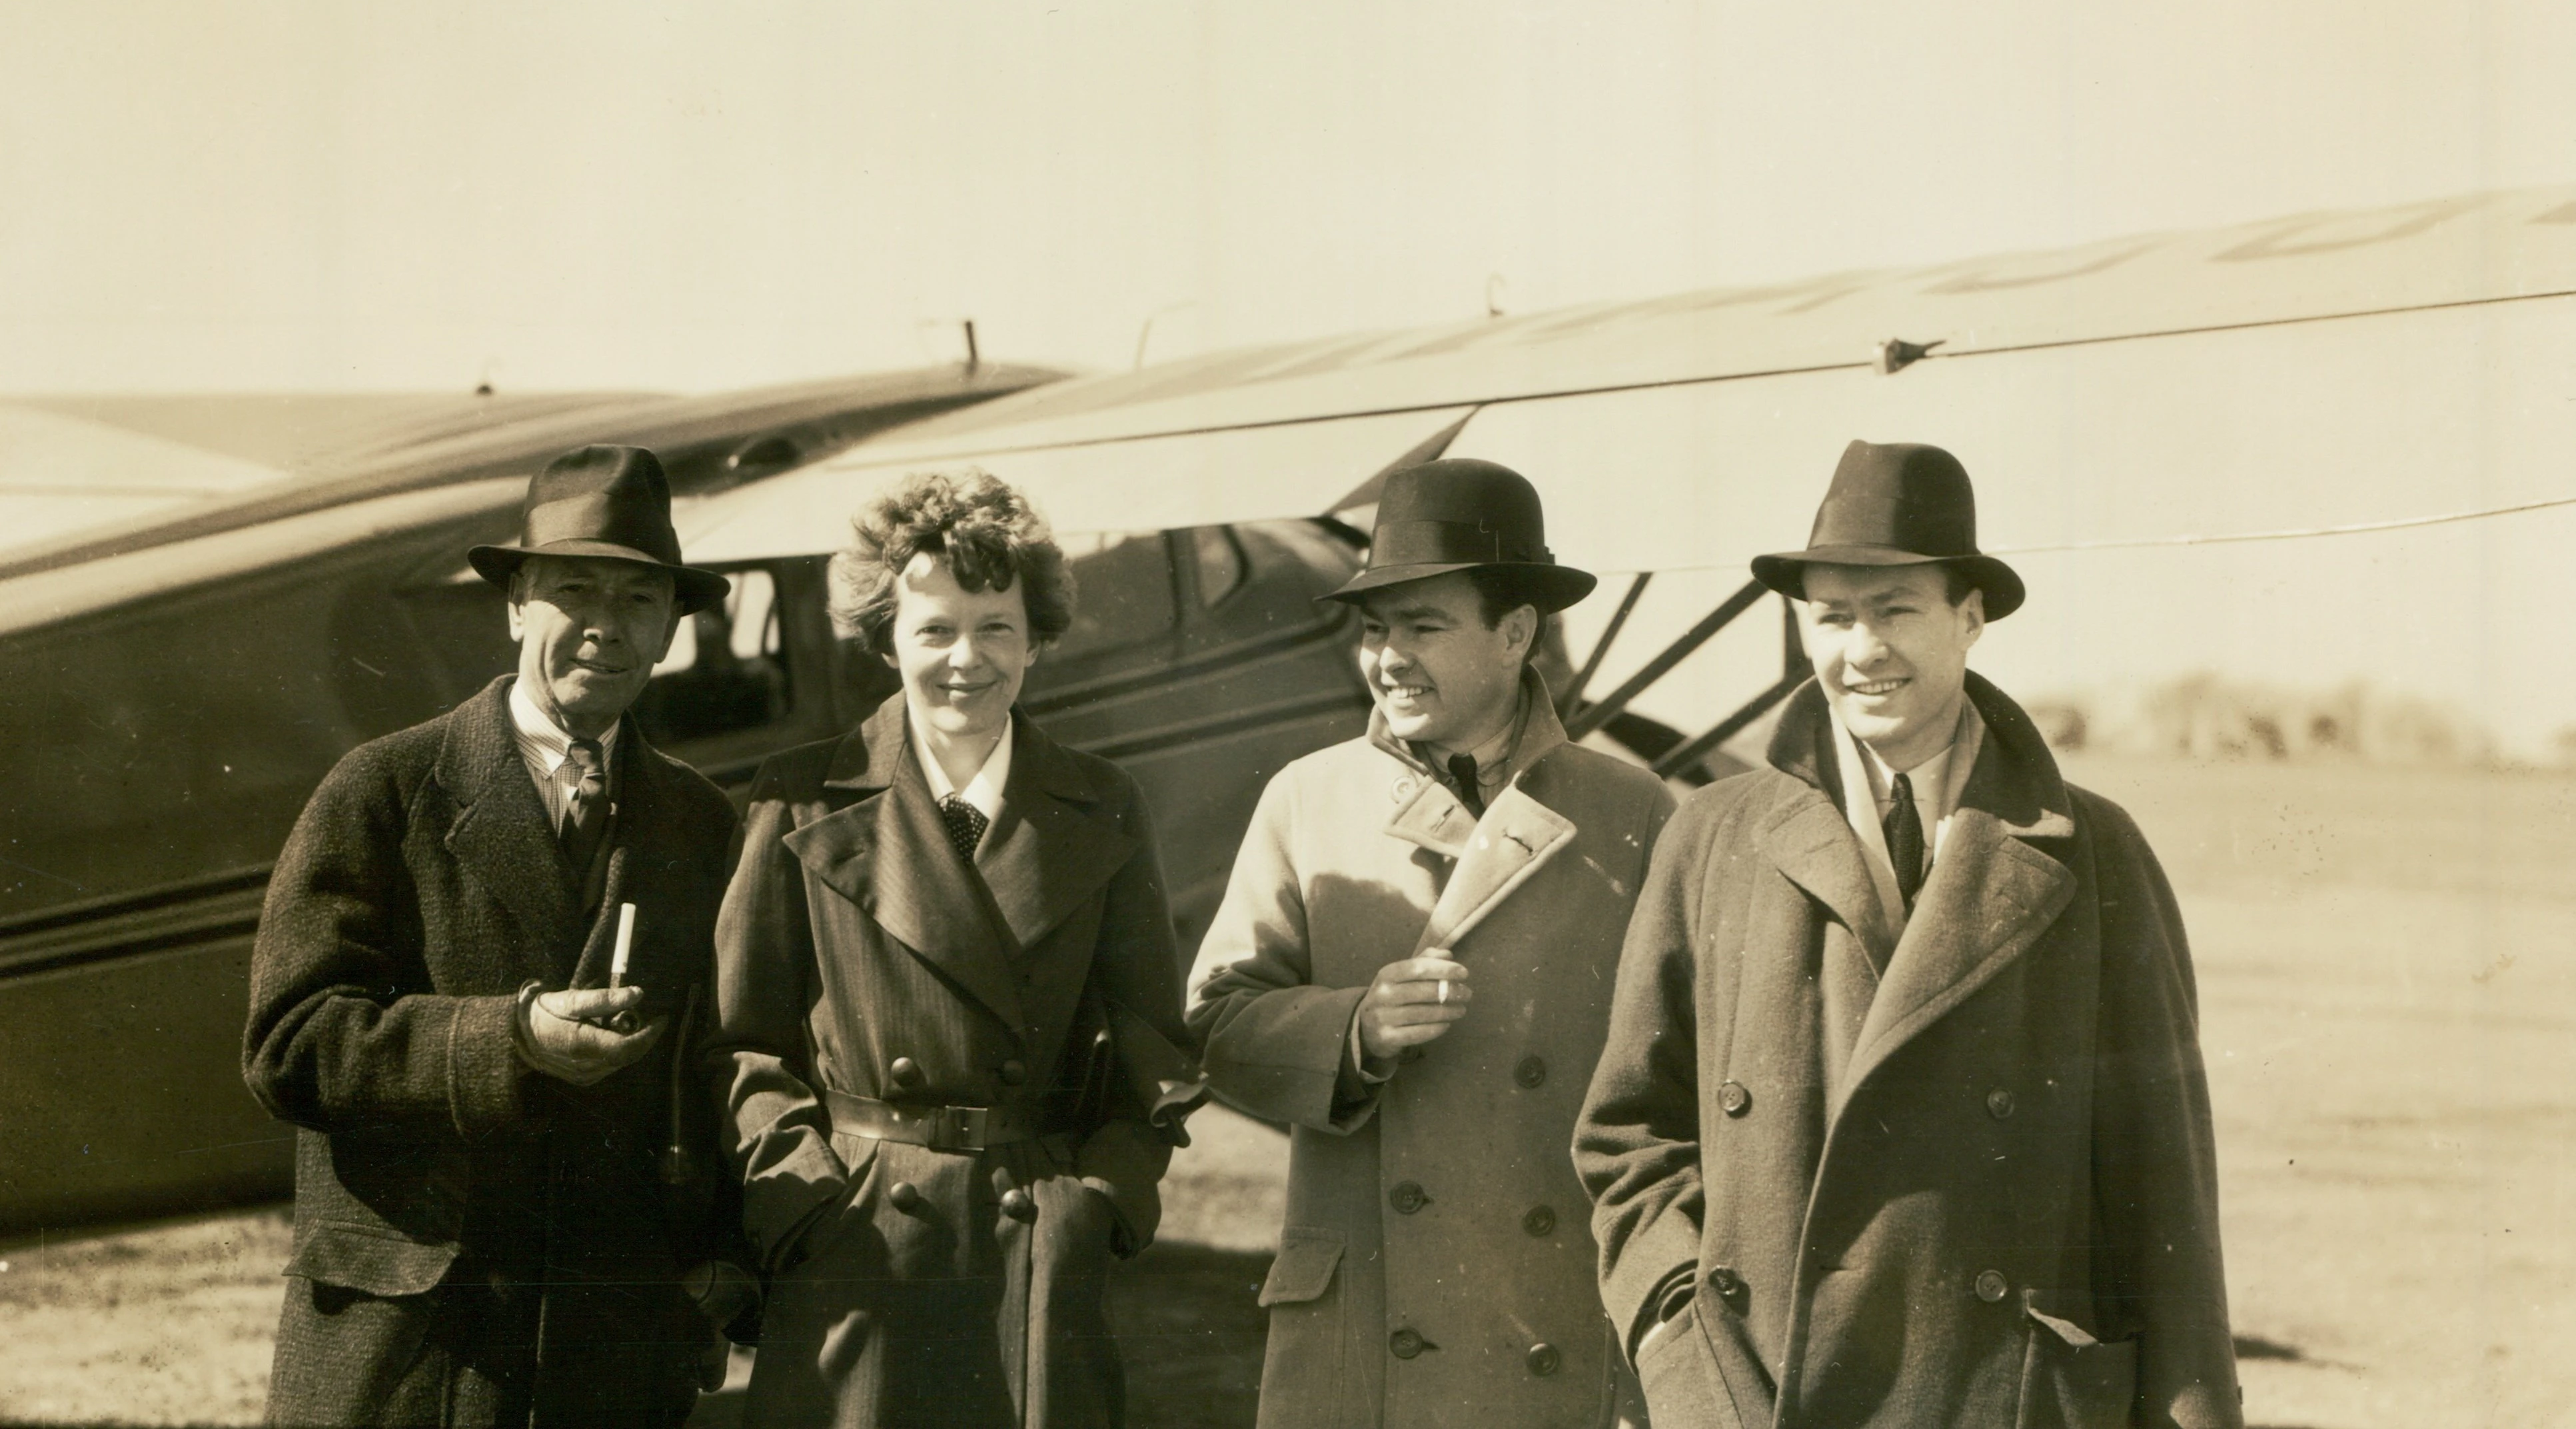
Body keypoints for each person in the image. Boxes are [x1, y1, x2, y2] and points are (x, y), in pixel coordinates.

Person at [1575, 441, 2242, 1428]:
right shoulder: (1709, 835)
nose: (1862, 650)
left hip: (2003, 1398)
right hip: (1750, 1391)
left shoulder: (2094, 852)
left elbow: (2164, 1185)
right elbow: (1628, 1136)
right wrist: (1681, 1347)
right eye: (1833, 616)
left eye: (1896, 611)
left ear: (1969, 618)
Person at [243, 445, 751, 1427]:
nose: (606, 627)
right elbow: (289, 1045)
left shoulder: (699, 821)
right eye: (573, 590)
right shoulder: (383, 788)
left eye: (641, 601)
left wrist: (721, 1254)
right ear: (516, 603)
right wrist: (509, 1039)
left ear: (672, 628)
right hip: (417, 1348)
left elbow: (716, 1063)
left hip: (607, 1359)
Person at [1187, 458, 1676, 1429]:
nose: (1387, 658)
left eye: (1423, 627)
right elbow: (1215, 1025)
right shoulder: (1305, 796)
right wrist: (1353, 1031)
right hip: (1365, 1330)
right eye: (1375, 630)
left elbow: (1678, 1072)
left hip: (1558, 1316)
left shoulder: (1632, 810)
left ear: (1515, 633)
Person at [706, 469, 1197, 1428]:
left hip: (1034, 1251)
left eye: (995, 627)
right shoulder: (800, 795)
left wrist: (1097, 1203)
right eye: (933, 629)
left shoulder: (1101, 802)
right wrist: (802, 1204)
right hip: (856, 1244)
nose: (964, 659)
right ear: (886, 639)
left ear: (1037, 639)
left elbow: (1153, 1049)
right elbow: (738, 1044)